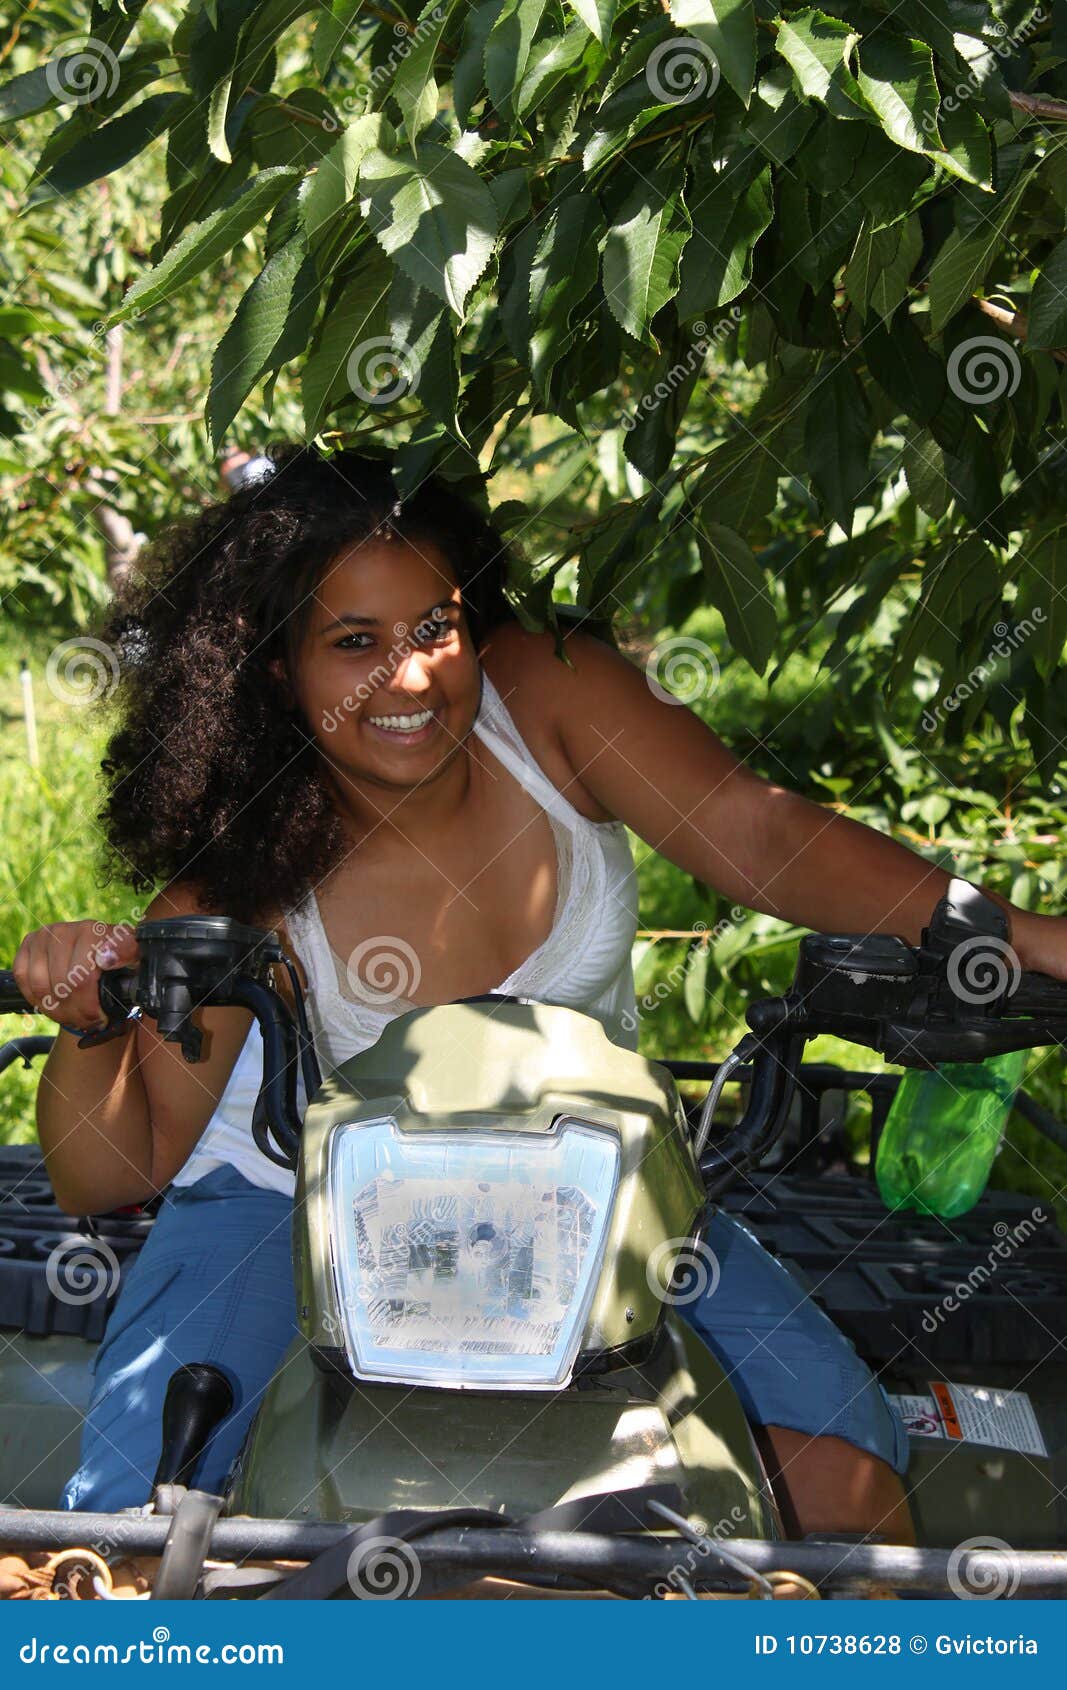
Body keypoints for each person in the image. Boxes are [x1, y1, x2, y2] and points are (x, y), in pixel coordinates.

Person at [14, 444, 1066, 1542]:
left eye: (434, 627)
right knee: (129, 1532)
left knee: (842, 1473)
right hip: (283, 1206)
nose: (410, 676)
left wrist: (1010, 935)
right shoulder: (242, 873)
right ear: (279, 668)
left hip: (594, 1181)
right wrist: (92, 1017)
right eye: (353, 643)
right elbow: (107, 1171)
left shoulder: (548, 698)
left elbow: (757, 830)